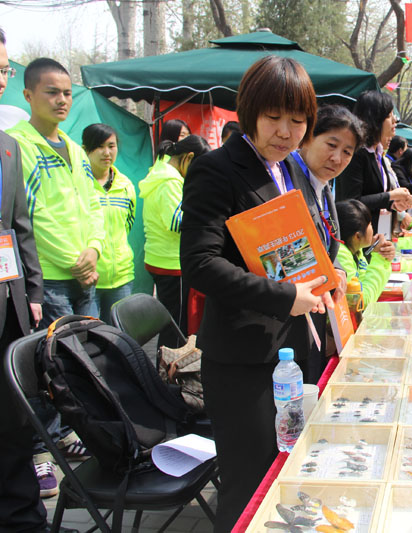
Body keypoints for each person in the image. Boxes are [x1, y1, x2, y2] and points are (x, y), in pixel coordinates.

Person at [180, 56, 337, 532]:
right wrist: (284, 295)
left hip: (296, 348)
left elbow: (299, 246)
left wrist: (326, 273)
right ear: (248, 111)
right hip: (243, 360)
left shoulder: (291, 169)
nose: (286, 132)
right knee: (249, 485)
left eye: (298, 120)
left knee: (289, 476)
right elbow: (201, 264)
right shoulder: (216, 169)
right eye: (273, 117)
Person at [7, 56, 95, 502]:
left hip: (86, 276)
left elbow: (90, 207)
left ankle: (76, 433)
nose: (62, 100)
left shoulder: (75, 148)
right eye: (51, 92)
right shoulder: (16, 146)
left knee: (84, 363)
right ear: (27, 95)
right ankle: (44, 448)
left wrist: (93, 251)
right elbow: (27, 221)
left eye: (67, 93)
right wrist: (72, 260)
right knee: (46, 367)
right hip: (50, 280)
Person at [0, 27, 49, 533]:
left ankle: (22, 518)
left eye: (3, 70)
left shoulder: (8, 148)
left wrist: (32, 290)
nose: (1, 80)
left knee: (12, 422)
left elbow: (19, 227)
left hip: (9, 306)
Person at [285, 104, 363, 378]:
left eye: (347, 152)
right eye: (331, 145)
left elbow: (326, 242)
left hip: (314, 313)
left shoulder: (324, 185)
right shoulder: (286, 177)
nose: (337, 158)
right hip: (288, 315)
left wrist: (337, 269)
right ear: (308, 137)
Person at [139, 134, 210, 348]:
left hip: (161, 257)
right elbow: (177, 222)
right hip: (171, 262)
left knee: (172, 321)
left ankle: (166, 361)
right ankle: (168, 365)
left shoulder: (160, 173)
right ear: (188, 158)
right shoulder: (169, 182)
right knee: (176, 326)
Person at [336, 91, 412, 234]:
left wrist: (395, 204)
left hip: (376, 236)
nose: (394, 121)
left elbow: (375, 197)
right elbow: (352, 202)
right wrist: (391, 196)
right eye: (389, 116)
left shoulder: (378, 154)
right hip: (355, 236)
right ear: (375, 119)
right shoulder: (356, 154)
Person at [82, 124, 137, 323]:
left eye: (111, 146)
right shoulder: (79, 184)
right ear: (85, 150)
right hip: (89, 279)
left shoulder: (125, 185)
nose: (107, 153)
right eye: (99, 146)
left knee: (118, 334)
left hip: (122, 277)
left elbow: (127, 224)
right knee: (89, 334)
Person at [336, 199, 394, 308]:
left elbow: (363, 280)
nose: (373, 229)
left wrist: (383, 255)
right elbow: (361, 301)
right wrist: (380, 258)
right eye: (370, 224)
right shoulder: (340, 255)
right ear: (357, 236)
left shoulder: (356, 249)